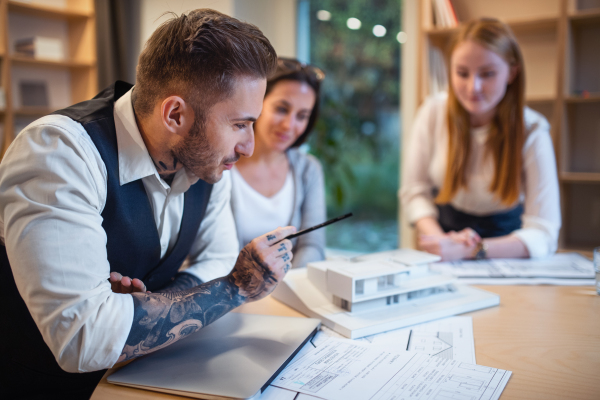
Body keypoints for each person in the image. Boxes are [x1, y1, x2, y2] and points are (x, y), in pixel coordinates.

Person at [0, 10, 296, 399]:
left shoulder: (205, 163)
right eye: (240, 124)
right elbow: (83, 339)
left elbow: (218, 258)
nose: (249, 146)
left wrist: (145, 309)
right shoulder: (59, 153)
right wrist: (234, 289)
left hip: (149, 375)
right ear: (175, 114)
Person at [400, 18, 560, 261]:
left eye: (487, 74)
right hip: (444, 244)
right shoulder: (432, 112)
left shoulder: (533, 130)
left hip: (507, 251)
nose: (473, 87)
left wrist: (472, 249)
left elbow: (544, 232)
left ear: (512, 72)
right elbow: (415, 193)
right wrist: (442, 242)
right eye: (462, 73)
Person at [230, 58, 326, 268]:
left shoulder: (308, 170)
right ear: (256, 103)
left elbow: (313, 246)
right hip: (230, 296)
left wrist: (285, 284)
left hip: (287, 292)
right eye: (282, 109)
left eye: (302, 116)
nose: (289, 125)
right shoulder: (221, 166)